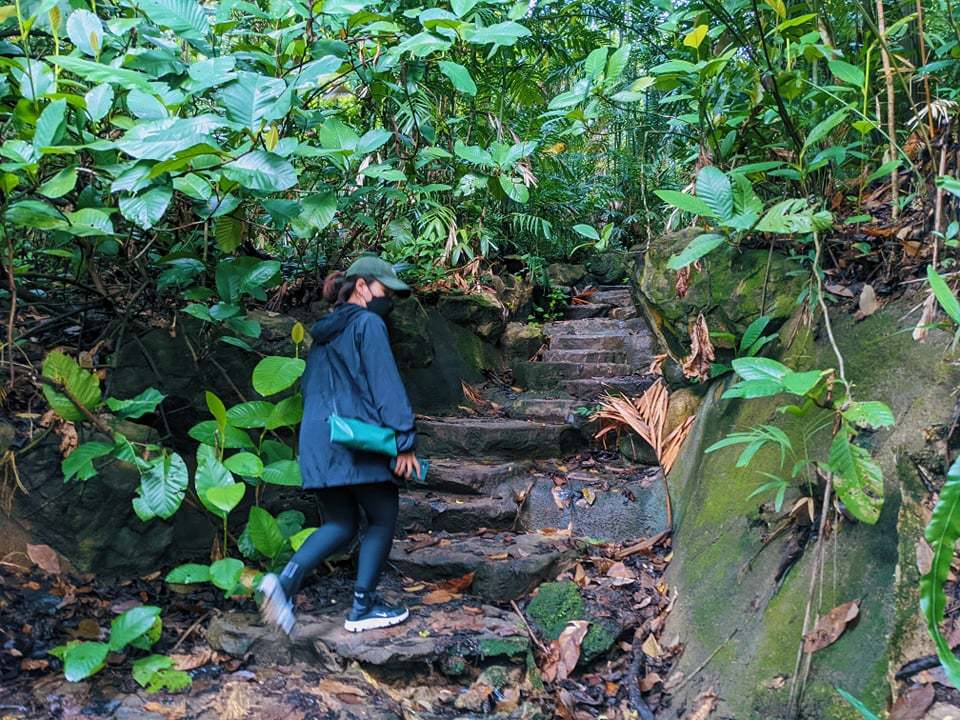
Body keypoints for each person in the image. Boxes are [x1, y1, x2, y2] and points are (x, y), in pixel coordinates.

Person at [257, 255, 421, 634]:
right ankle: (363, 606)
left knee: (341, 522)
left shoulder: (323, 334)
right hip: (356, 439)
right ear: (361, 286)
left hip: (319, 441)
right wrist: (404, 440)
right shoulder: (368, 323)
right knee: (382, 515)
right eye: (385, 291)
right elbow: (385, 385)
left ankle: (282, 584)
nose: (389, 301)